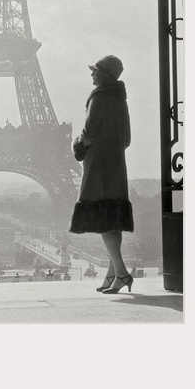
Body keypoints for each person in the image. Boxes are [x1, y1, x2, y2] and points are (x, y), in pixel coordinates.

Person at [69, 55, 134, 294]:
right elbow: (127, 138)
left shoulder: (99, 97)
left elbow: (88, 132)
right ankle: (111, 275)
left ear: (104, 74)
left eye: (95, 71)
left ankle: (122, 273)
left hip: (99, 165)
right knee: (113, 216)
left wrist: (78, 145)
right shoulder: (120, 99)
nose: (92, 74)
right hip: (117, 163)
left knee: (104, 219)